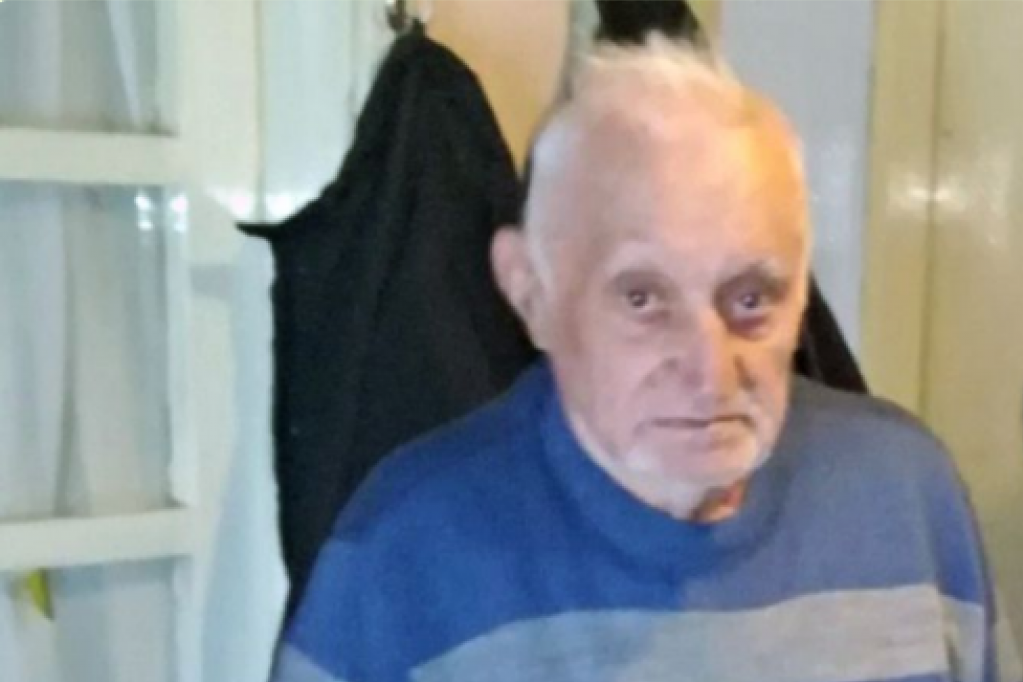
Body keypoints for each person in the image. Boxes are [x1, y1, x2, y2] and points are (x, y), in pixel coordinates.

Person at [272, 40, 1021, 682]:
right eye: (642, 299)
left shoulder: (907, 494)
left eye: (751, 297)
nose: (710, 372)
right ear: (531, 292)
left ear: (800, 293)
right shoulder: (401, 552)